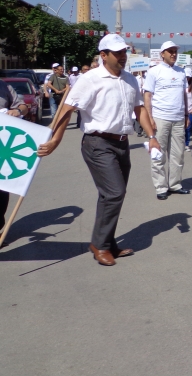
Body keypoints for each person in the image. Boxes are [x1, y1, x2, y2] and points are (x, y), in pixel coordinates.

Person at [37, 34, 161, 267]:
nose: (123, 56)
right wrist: (55, 140)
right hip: (98, 143)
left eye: (124, 52)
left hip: (122, 143)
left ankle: (108, 242)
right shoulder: (90, 79)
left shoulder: (131, 80)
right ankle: (100, 245)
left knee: (113, 194)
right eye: (117, 53)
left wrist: (152, 137)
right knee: (114, 192)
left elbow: (139, 109)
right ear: (103, 55)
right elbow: (66, 108)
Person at [143, 41, 190, 200]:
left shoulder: (181, 72)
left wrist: (185, 115)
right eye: (170, 51)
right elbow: (147, 96)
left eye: (175, 51)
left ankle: (175, 184)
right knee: (159, 155)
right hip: (160, 117)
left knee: (178, 154)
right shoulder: (154, 72)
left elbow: (184, 95)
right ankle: (161, 187)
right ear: (162, 54)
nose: (173, 54)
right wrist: (150, 118)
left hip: (178, 119)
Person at [0, 78, 30, 239]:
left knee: (2, 192)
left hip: (3, 148)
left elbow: (23, 106)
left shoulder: (4, 86)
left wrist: (18, 111)